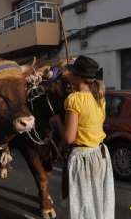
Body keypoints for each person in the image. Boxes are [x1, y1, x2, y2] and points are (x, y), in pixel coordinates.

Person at [52, 56, 115, 219]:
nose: (69, 74)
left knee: (83, 208)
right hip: (101, 155)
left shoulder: (74, 100)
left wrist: (57, 122)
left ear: (77, 76)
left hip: (83, 159)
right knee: (99, 202)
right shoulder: (99, 97)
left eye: (72, 72)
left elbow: (69, 138)